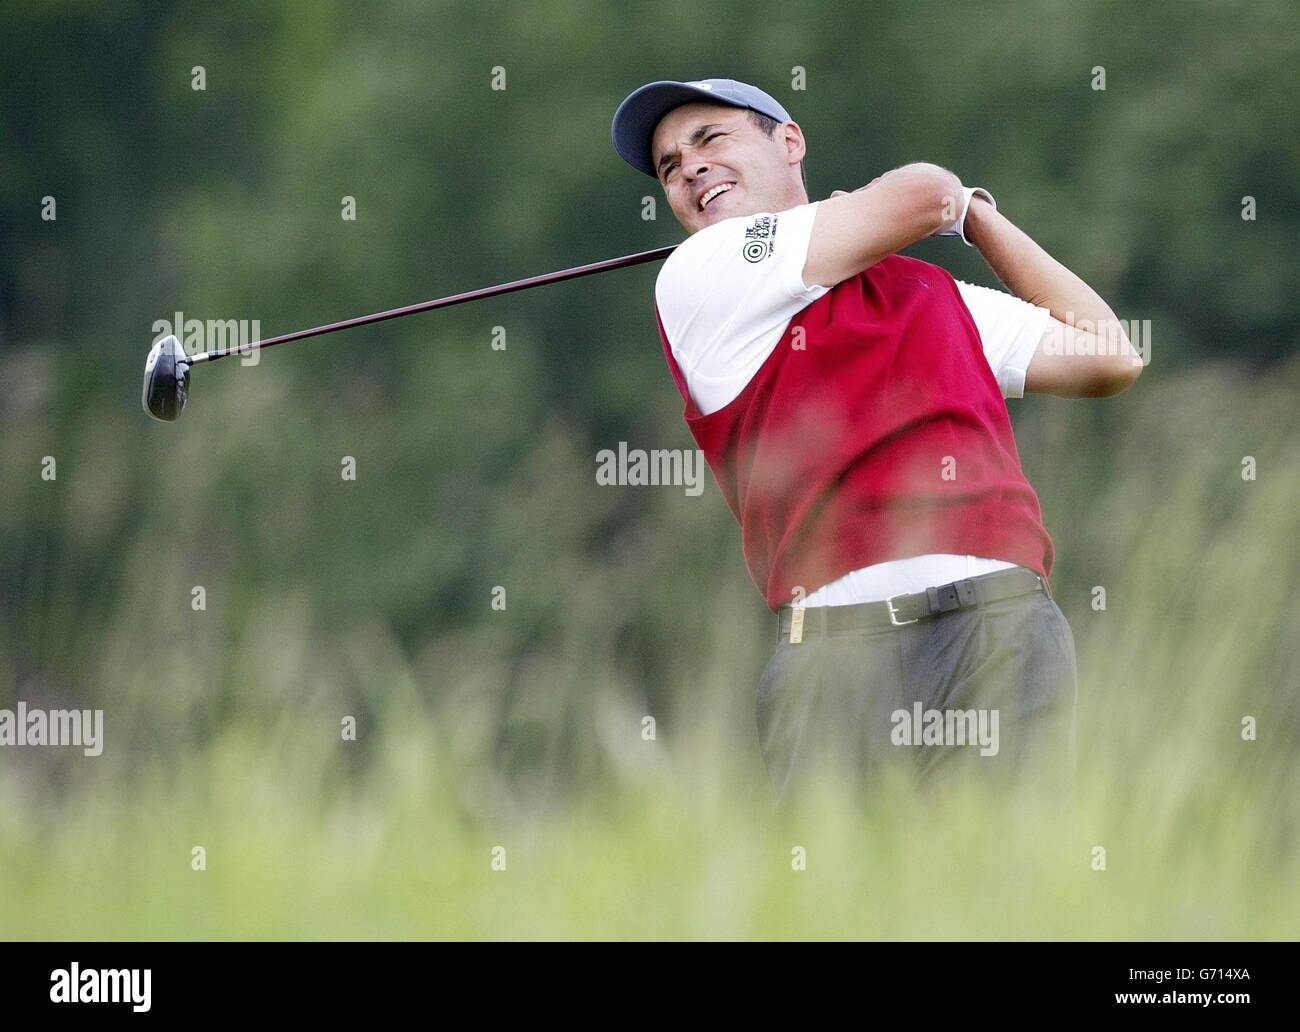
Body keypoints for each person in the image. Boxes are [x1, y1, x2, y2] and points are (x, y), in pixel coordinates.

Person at [611, 78, 1143, 804]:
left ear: (789, 140)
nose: (689, 167)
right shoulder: (702, 272)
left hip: (1000, 625)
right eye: (670, 166)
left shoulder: (933, 293)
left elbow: (1109, 356)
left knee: (1009, 906)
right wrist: (937, 205)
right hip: (836, 654)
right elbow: (925, 192)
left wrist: (981, 220)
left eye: (711, 139)